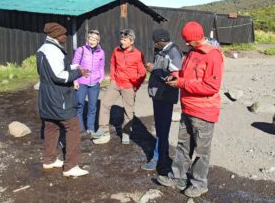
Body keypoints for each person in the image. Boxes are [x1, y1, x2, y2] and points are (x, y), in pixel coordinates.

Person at [157, 21, 224, 198]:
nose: (185, 44)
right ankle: (177, 177)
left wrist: (181, 83)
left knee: (202, 152)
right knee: (183, 146)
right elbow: (186, 74)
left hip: (204, 112)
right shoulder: (192, 52)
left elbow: (211, 86)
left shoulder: (213, 55)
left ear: (196, 38)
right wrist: (176, 75)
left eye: (188, 40)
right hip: (188, 108)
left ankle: (199, 184)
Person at [36, 22, 90, 177]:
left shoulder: (42, 49)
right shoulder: (54, 51)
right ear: (56, 36)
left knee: (51, 126)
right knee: (73, 127)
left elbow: (47, 72)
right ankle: (71, 166)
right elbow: (59, 75)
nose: (65, 36)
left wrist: (72, 68)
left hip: (46, 95)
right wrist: (79, 73)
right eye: (63, 34)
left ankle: (49, 160)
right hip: (58, 97)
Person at [92, 29, 146, 145]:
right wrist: (112, 79)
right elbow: (112, 64)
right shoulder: (117, 50)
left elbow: (142, 73)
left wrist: (135, 86)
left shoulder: (138, 54)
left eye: (125, 40)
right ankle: (103, 129)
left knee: (128, 111)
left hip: (129, 86)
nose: (122, 41)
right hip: (116, 83)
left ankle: (126, 132)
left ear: (131, 41)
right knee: (105, 103)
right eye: (121, 39)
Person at [141, 28, 183, 175]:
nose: (154, 44)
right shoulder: (163, 51)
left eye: (155, 42)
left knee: (163, 129)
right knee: (160, 128)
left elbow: (176, 73)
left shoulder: (173, 52)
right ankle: (160, 156)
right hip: (159, 95)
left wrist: (154, 68)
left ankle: (160, 159)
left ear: (160, 41)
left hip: (165, 96)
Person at [72, 30, 105, 136]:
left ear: (98, 41)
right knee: (80, 104)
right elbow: (74, 66)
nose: (92, 41)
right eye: (90, 38)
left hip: (95, 82)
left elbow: (101, 66)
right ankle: (80, 128)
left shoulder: (101, 52)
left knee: (92, 106)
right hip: (82, 81)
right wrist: (75, 80)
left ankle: (90, 128)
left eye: (94, 39)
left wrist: (102, 76)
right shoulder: (80, 50)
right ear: (87, 39)